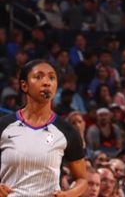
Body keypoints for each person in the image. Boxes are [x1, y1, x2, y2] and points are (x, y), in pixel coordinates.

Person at [0, 59, 88, 196]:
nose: (47, 82)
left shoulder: (67, 131)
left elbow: (82, 179)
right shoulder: (4, 126)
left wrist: (69, 194)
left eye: (52, 78)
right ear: (24, 86)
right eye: (38, 77)